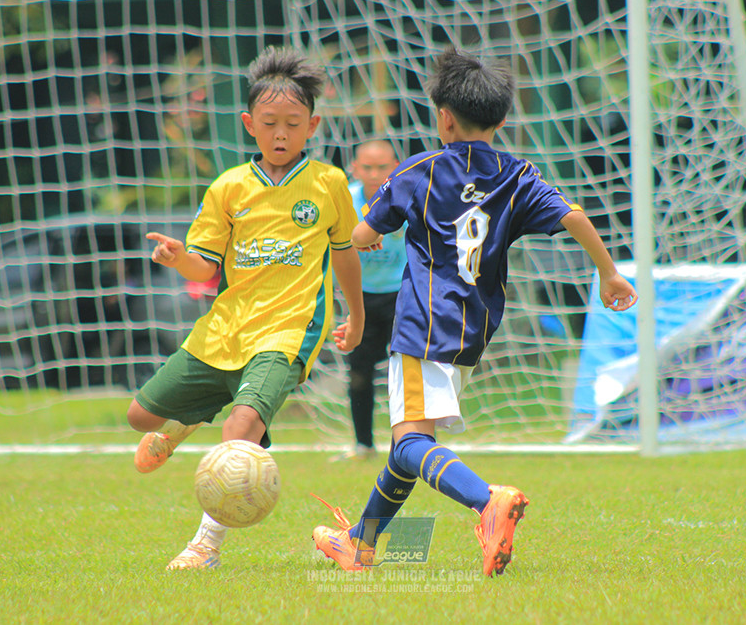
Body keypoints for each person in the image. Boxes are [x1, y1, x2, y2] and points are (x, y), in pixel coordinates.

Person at [311, 48, 637, 577]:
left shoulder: (419, 171)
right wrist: (608, 273)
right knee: (407, 446)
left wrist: (358, 237)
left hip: (420, 324)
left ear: (443, 117)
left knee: (412, 441)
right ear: (502, 119)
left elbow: (363, 234)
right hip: (474, 328)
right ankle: (359, 543)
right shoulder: (517, 174)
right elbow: (573, 216)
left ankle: (487, 500)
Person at [126, 45, 365, 570]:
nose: (281, 134)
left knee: (240, 431)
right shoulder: (228, 187)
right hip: (225, 329)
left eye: (293, 124)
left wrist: (358, 316)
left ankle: (204, 547)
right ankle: (184, 423)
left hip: (288, 332)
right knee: (139, 414)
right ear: (249, 124)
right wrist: (177, 257)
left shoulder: (327, 184)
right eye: (270, 123)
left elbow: (345, 254)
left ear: (312, 126)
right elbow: (205, 268)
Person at [332, 140, 405, 461]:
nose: (375, 174)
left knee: (403, 373)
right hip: (358, 299)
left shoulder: (408, 196)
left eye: (382, 167)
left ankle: (406, 446)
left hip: (402, 296)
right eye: (367, 167)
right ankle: (363, 445)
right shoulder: (343, 199)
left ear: (395, 166)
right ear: (354, 169)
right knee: (359, 373)